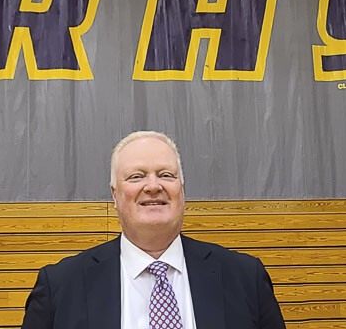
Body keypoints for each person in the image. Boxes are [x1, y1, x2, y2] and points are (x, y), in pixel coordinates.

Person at [22, 131, 286, 329]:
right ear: (115, 195)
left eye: (166, 175)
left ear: (182, 190)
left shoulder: (245, 278)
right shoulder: (60, 286)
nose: (153, 186)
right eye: (136, 176)